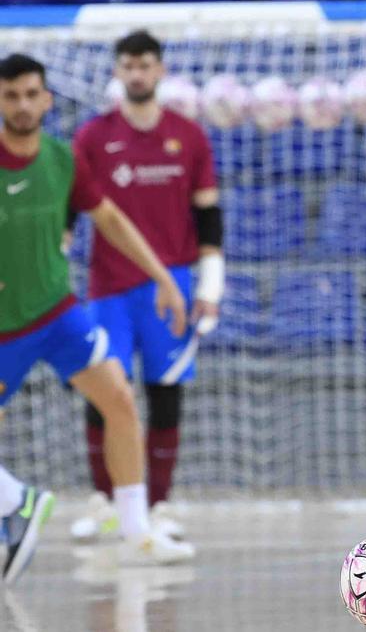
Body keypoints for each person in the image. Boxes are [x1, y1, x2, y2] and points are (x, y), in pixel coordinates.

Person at [0, 53, 195, 583]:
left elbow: (108, 218)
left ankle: (138, 530)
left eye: (29, 94)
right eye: (10, 95)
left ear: (45, 99)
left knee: (120, 402)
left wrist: (161, 276)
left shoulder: (62, 158)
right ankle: (18, 501)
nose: (21, 105)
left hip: (59, 314)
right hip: (2, 329)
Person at [70, 30, 223, 543]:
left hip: (171, 287)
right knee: (103, 392)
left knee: (165, 394)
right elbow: (70, 213)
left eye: (146, 65)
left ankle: (157, 506)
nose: (137, 74)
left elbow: (208, 218)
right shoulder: (92, 137)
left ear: (160, 71)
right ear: (117, 71)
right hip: (108, 287)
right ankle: (105, 499)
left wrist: (212, 286)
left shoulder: (190, 136)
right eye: (128, 65)